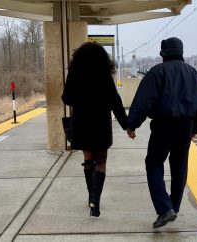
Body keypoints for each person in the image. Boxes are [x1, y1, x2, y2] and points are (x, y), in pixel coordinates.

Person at [127, 37, 197, 228]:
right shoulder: (194, 74)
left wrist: (132, 125)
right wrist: (195, 128)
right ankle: (174, 207)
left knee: (154, 163)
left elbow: (143, 102)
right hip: (186, 127)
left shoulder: (157, 72)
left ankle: (165, 209)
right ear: (181, 53)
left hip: (163, 126)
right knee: (179, 168)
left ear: (163, 54)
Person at [62, 42, 134, 217]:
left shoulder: (75, 73)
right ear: (103, 59)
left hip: (82, 121)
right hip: (101, 121)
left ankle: (90, 196)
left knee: (88, 158)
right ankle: (95, 199)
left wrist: (81, 99)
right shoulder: (104, 74)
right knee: (101, 160)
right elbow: (115, 100)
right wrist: (127, 126)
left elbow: (67, 98)